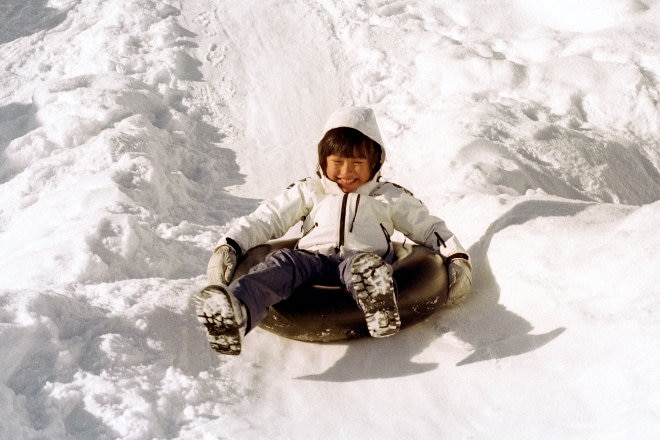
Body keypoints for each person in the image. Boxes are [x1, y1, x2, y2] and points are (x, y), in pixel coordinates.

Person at [196, 106, 472, 355]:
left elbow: (429, 228)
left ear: (374, 163)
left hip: (361, 260)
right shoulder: (309, 190)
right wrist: (230, 245)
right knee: (281, 263)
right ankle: (237, 311)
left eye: (357, 164)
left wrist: (456, 257)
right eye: (337, 162)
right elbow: (266, 220)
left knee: (363, 268)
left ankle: (378, 304)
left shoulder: (389, 196)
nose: (346, 172)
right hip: (311, 259)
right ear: (323, 160)